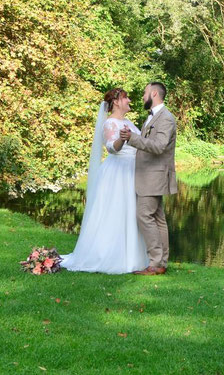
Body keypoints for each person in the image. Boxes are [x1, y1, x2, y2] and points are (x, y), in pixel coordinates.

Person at [60, 88, 148, 274]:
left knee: (131, 212)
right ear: (116, 102)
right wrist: (122, 141)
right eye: (125, 98)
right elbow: (111, 148)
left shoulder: (129, 122)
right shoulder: (110, 123)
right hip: (118, 171)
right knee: (115, 212)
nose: (129, 100)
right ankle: (108, 255)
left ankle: (133, 257)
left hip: (133, 169)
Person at [120, 82, 177, 275]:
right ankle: (161, 262)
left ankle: (155, 263)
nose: (143, 97)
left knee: (144, 215)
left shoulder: (166, 118)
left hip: (155, 176)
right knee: (158, 218)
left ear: (154, 93)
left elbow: (159, 146)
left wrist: (132, 139)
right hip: (151, 176)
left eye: (145, 93)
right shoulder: (154, 116)